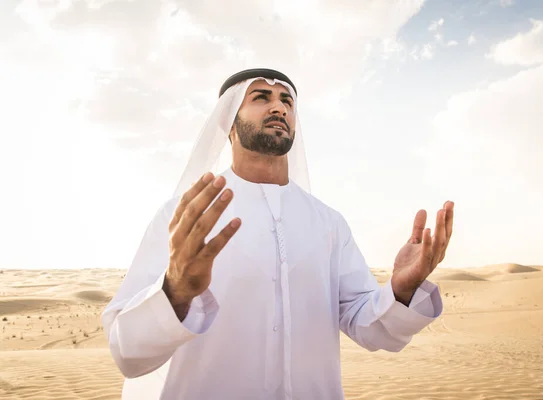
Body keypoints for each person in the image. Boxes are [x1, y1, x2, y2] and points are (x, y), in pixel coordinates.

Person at [102, 68, 454, 400]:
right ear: (229, 124)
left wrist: (402, 290)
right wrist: (174, 291)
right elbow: (128, 354)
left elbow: (370, 327)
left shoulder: (328, 223)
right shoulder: (183, 215)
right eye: (260, 97)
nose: (278, 106)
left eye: (287, 101)